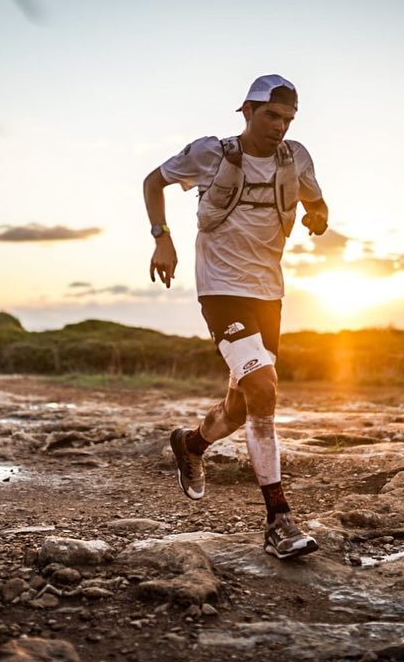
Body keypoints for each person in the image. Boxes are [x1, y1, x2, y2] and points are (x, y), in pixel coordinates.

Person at [143, 74, 330, 560]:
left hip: (269, 294)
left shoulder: (296, 158)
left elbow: (316, 200)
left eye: (288, 119)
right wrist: (163, 239)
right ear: (247, 110)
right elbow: (153, 181)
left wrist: (317, 216)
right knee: (264, 387)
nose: (280, 127)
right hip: (221, 289)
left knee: (241, 407)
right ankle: (278, 520)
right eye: (271, 116)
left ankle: (191, 444)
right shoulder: (211, 153)